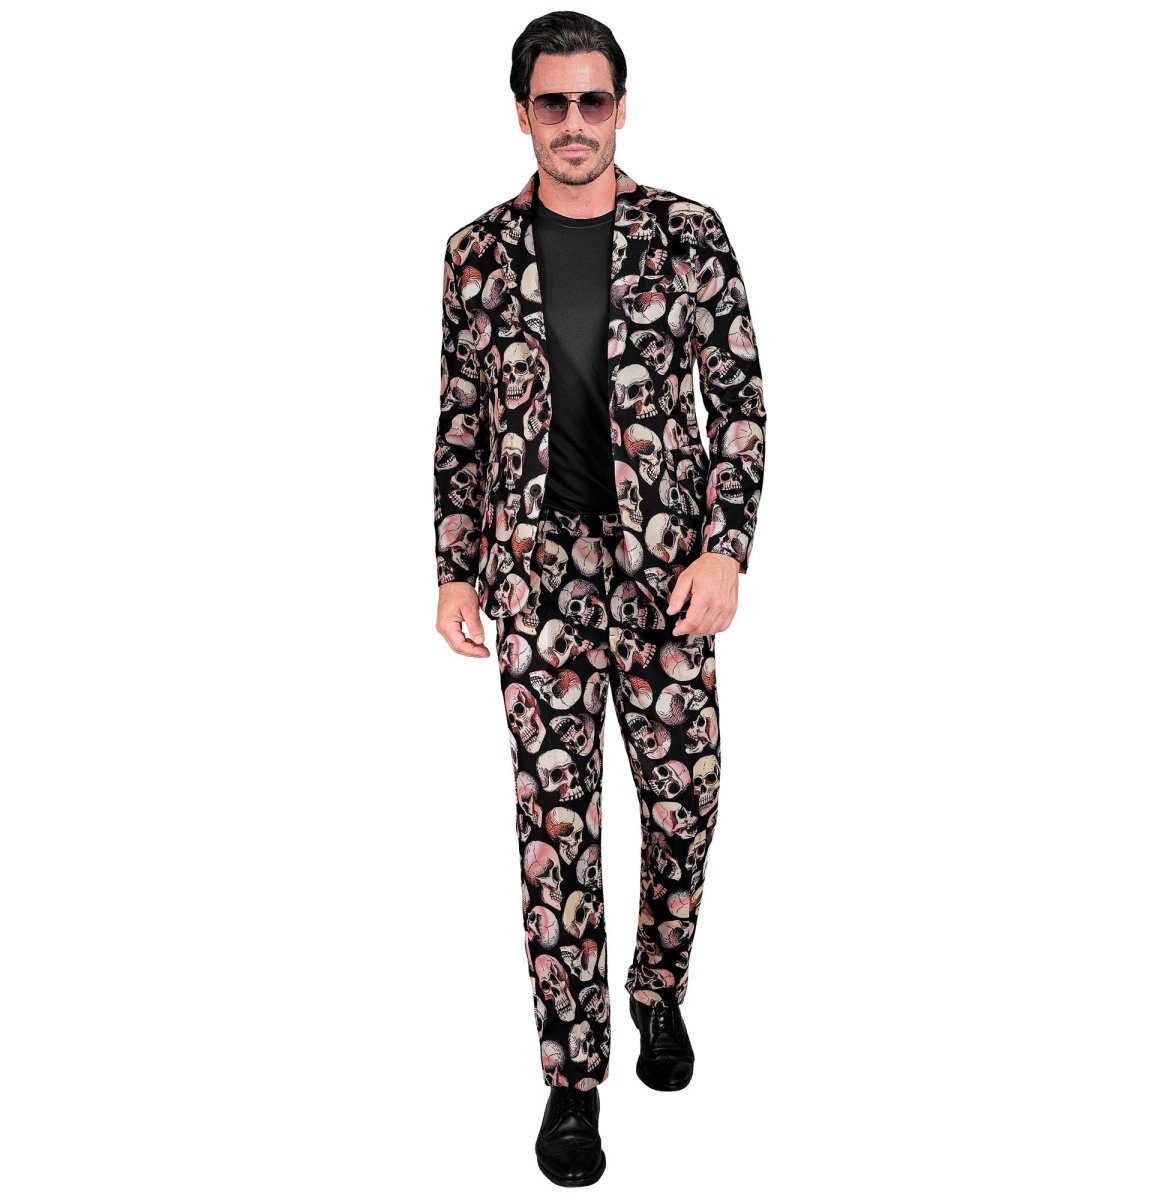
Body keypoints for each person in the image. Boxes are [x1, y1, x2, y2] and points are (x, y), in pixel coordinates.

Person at [432, 11, 766, 1187]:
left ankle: (657, 986)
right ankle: (572, 1079)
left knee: (685, 807)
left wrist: (725, 550)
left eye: (593, 100)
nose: (573, 123)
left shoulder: (689, 234)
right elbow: (460, 420)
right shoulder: (475, 254)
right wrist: (455, 564)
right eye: (552, 102)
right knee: (555, 835)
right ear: (521, 112)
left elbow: (739, 402)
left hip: (667, 578)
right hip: (537, 586)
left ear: (621, 107)